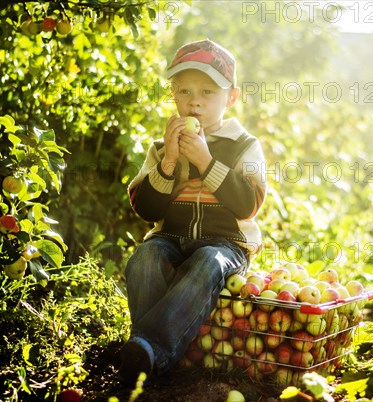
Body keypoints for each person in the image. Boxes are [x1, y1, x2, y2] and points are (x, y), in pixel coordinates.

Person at [117, 39, 268, 385]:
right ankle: (149, 352)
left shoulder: (244, 145)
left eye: (208, 91)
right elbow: (145, 208)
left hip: (225, 244)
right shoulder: (161, 147)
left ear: (230, 97)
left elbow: (248, 203)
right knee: (145, 257)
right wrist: (169, 162)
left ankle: (149, 351)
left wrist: (205, 161)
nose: (194, 100)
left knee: (207, 262)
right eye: (183, 90)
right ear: (172, 94)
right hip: (170, 237)